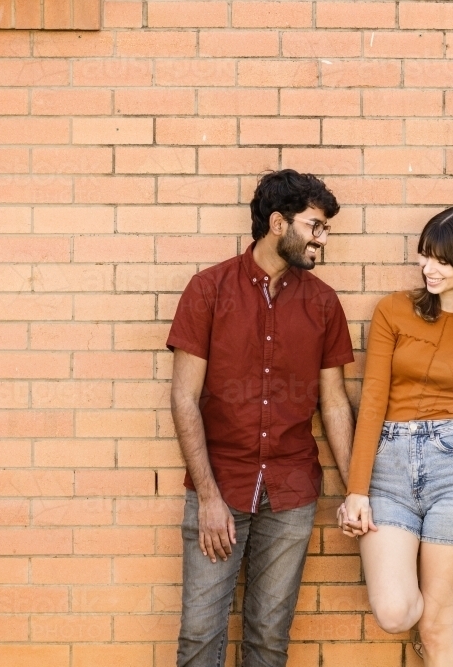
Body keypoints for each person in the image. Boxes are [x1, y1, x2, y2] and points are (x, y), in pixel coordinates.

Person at [167, 169, 356, 667]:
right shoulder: (208, 290)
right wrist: (207, 497)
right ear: (278, 223)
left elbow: (334, 402)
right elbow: (184, 398)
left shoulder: (323, 303)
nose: (323, 239)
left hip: (291, 492)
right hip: (221, 487)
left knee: (269, 640)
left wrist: (357, 487)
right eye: (316, 226)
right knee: (199, 638)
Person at [340, 207, 453, 665]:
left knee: (439, 626)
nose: (429, 268)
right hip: (389, 472)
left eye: (442, 260)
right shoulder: (394, 310)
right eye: (425, 256)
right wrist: (357, 490)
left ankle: (435, 625)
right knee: (396, 611)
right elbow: (373, 402)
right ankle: (426, 611)